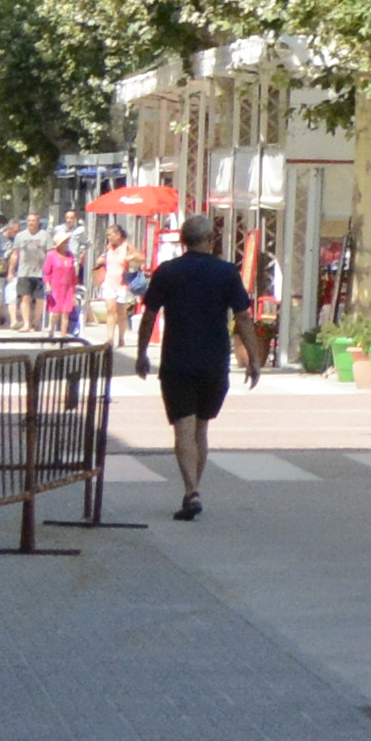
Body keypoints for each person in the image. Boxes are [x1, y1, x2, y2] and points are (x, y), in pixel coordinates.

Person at [134, 212, 258, 519]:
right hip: (214, 361)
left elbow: (149, 315)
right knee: (201, 429)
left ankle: (191, 491)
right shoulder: (228, 273)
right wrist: (254, 358)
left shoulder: (167, 272)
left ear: (182, 241)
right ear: (210, 239)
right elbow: (242, 317)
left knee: (183, 429)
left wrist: (141, 353)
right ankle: (193, 491)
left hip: (178, 359)